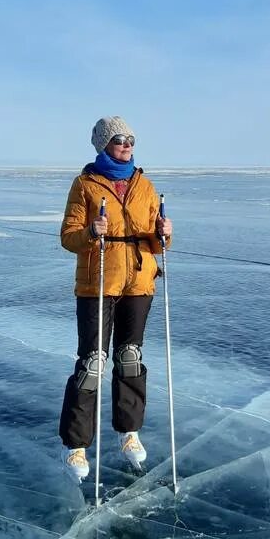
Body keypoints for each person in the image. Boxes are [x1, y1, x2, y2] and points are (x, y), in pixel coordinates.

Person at [58, 116, 172, 480]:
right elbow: (68, 237)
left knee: (129, 358)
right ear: (104, 144)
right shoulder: (85, 184)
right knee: (93, 362)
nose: (127, 144)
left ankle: (129, 432)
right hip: (98, 282)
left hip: (138, 282)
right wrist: (92, 231)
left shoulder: (145, 185)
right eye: (120, 139)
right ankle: (77, 445)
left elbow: (157, 241)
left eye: (131, 139)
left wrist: (165, 233)